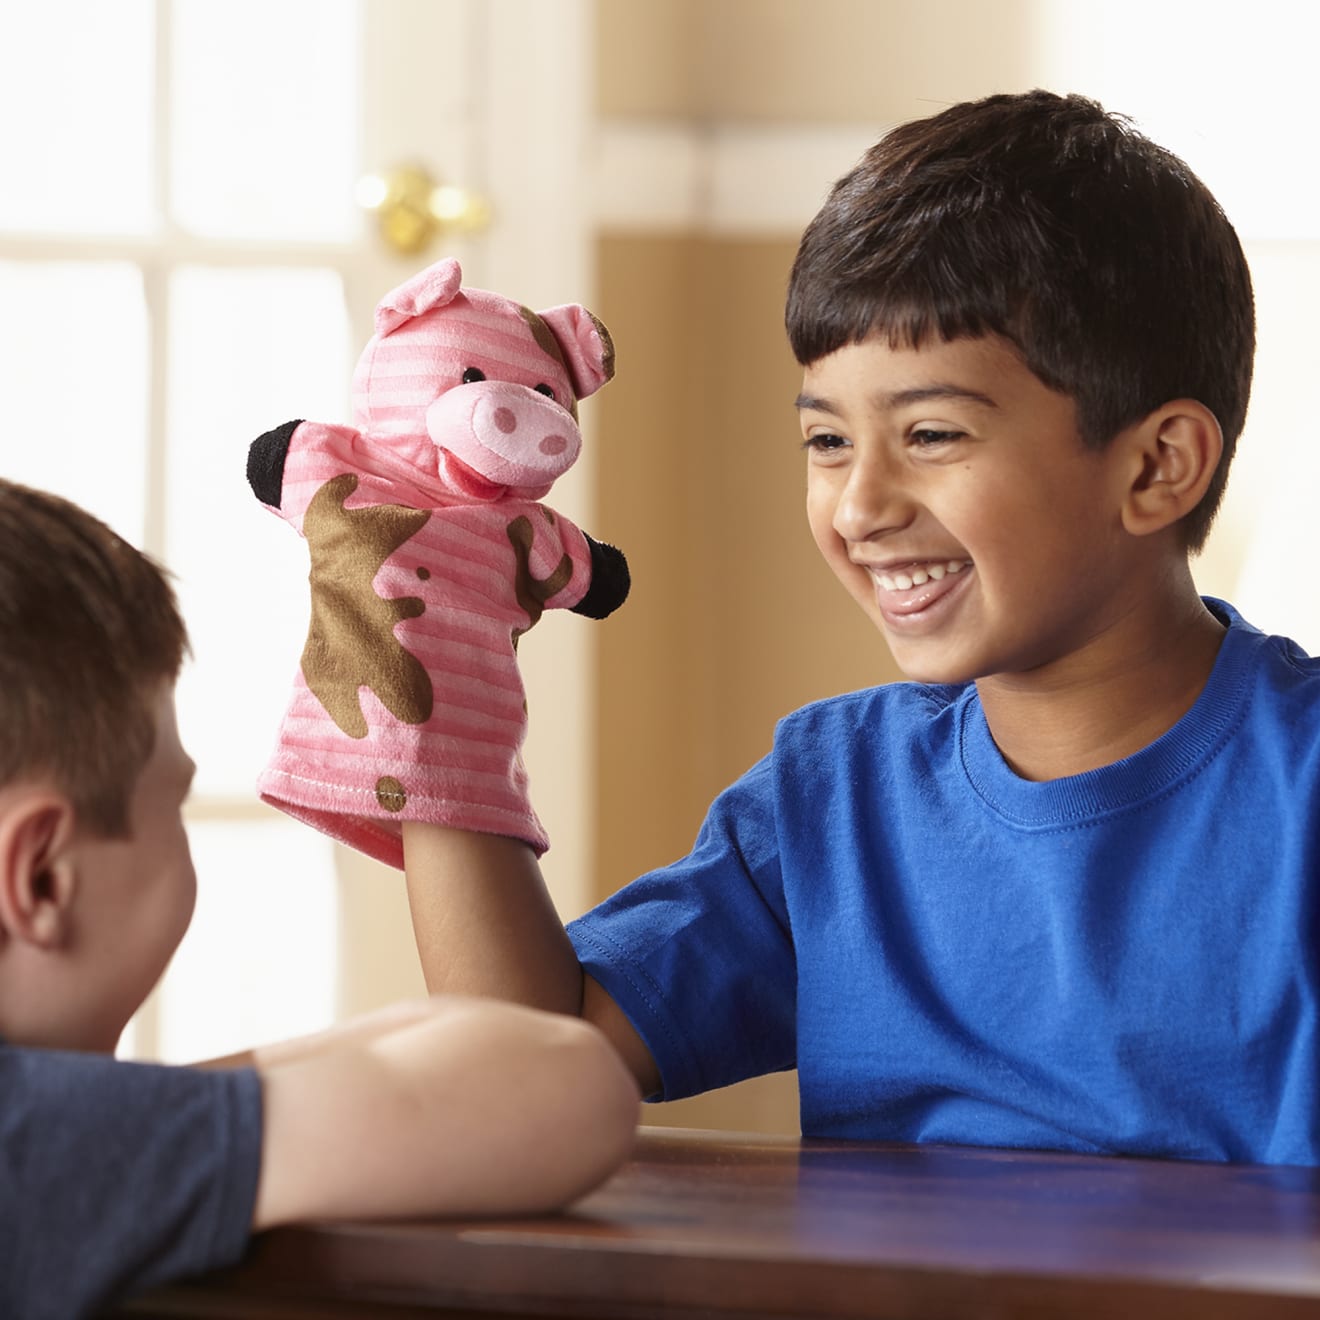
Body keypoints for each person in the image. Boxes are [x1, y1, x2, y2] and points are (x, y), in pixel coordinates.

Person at [402, 90, 1318, 1167]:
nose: (858, 506)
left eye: (931, 433)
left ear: (1158, 467)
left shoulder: (1296, 790)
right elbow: (524, 1067)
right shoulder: (828, 794)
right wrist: (437, 690)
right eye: (828, 441)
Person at [0, 479, 639, 1319]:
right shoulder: (45, 1141)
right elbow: (569, 1088)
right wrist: (160, 1111)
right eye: (173, 803)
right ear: (43, 876)